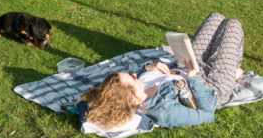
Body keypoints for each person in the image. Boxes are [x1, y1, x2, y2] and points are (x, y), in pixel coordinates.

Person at [78, 12, 244, 131]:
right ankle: (233, 71)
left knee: (216, 17)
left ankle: (230, 66)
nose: (134, 74)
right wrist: (193, 78)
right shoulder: (164, 111)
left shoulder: (138, 84)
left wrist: (150, 67)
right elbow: (208, 115)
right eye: (131, 77)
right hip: (211, 84)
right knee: (233, 25)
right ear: (132, 97)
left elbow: (138, 72)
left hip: (185, 64)